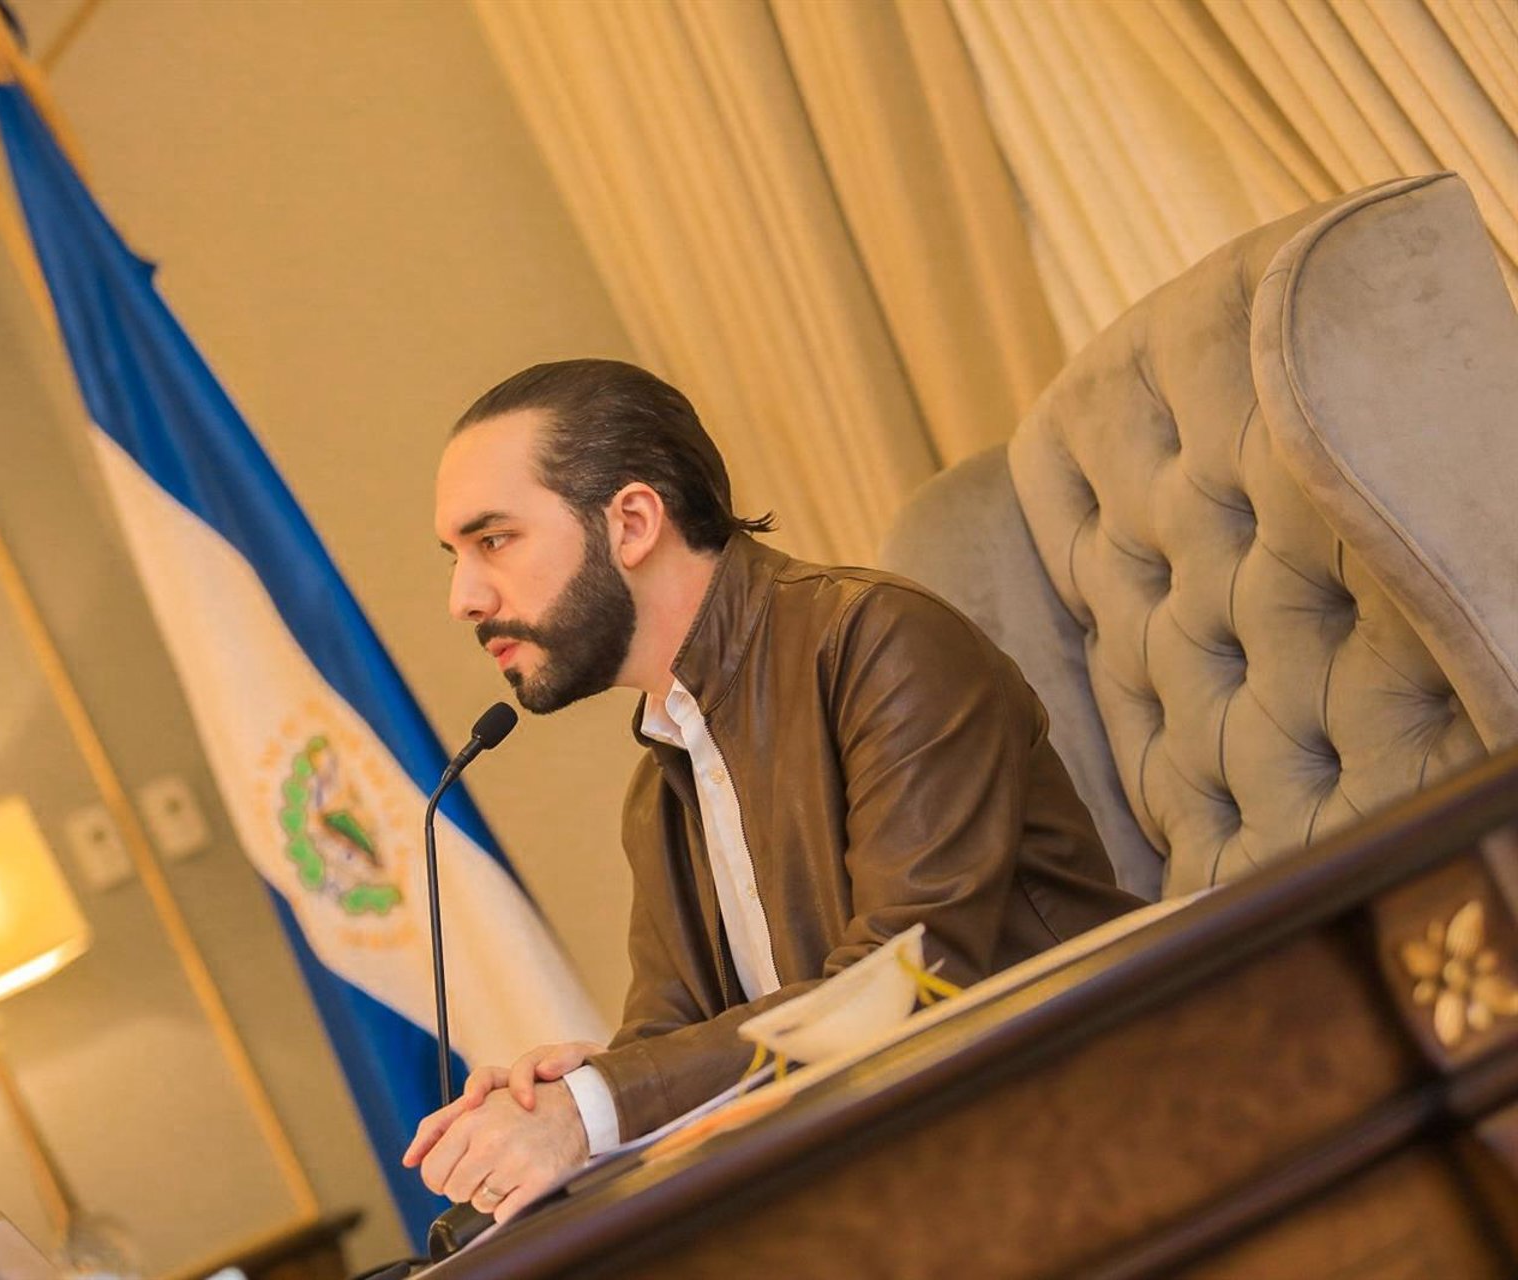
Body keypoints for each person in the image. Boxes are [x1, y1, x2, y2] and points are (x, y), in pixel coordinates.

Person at [406, 359, 1141, 1222]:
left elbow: (905, 981)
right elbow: (670, 1037)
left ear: (633, 523)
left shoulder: (878, 643)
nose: (463, 598)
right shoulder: (658, 788)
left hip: (1094, 1130)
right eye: (455, 557)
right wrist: (569, 1092)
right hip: (910, 1185)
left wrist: (598, 1106)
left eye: (493, 541)